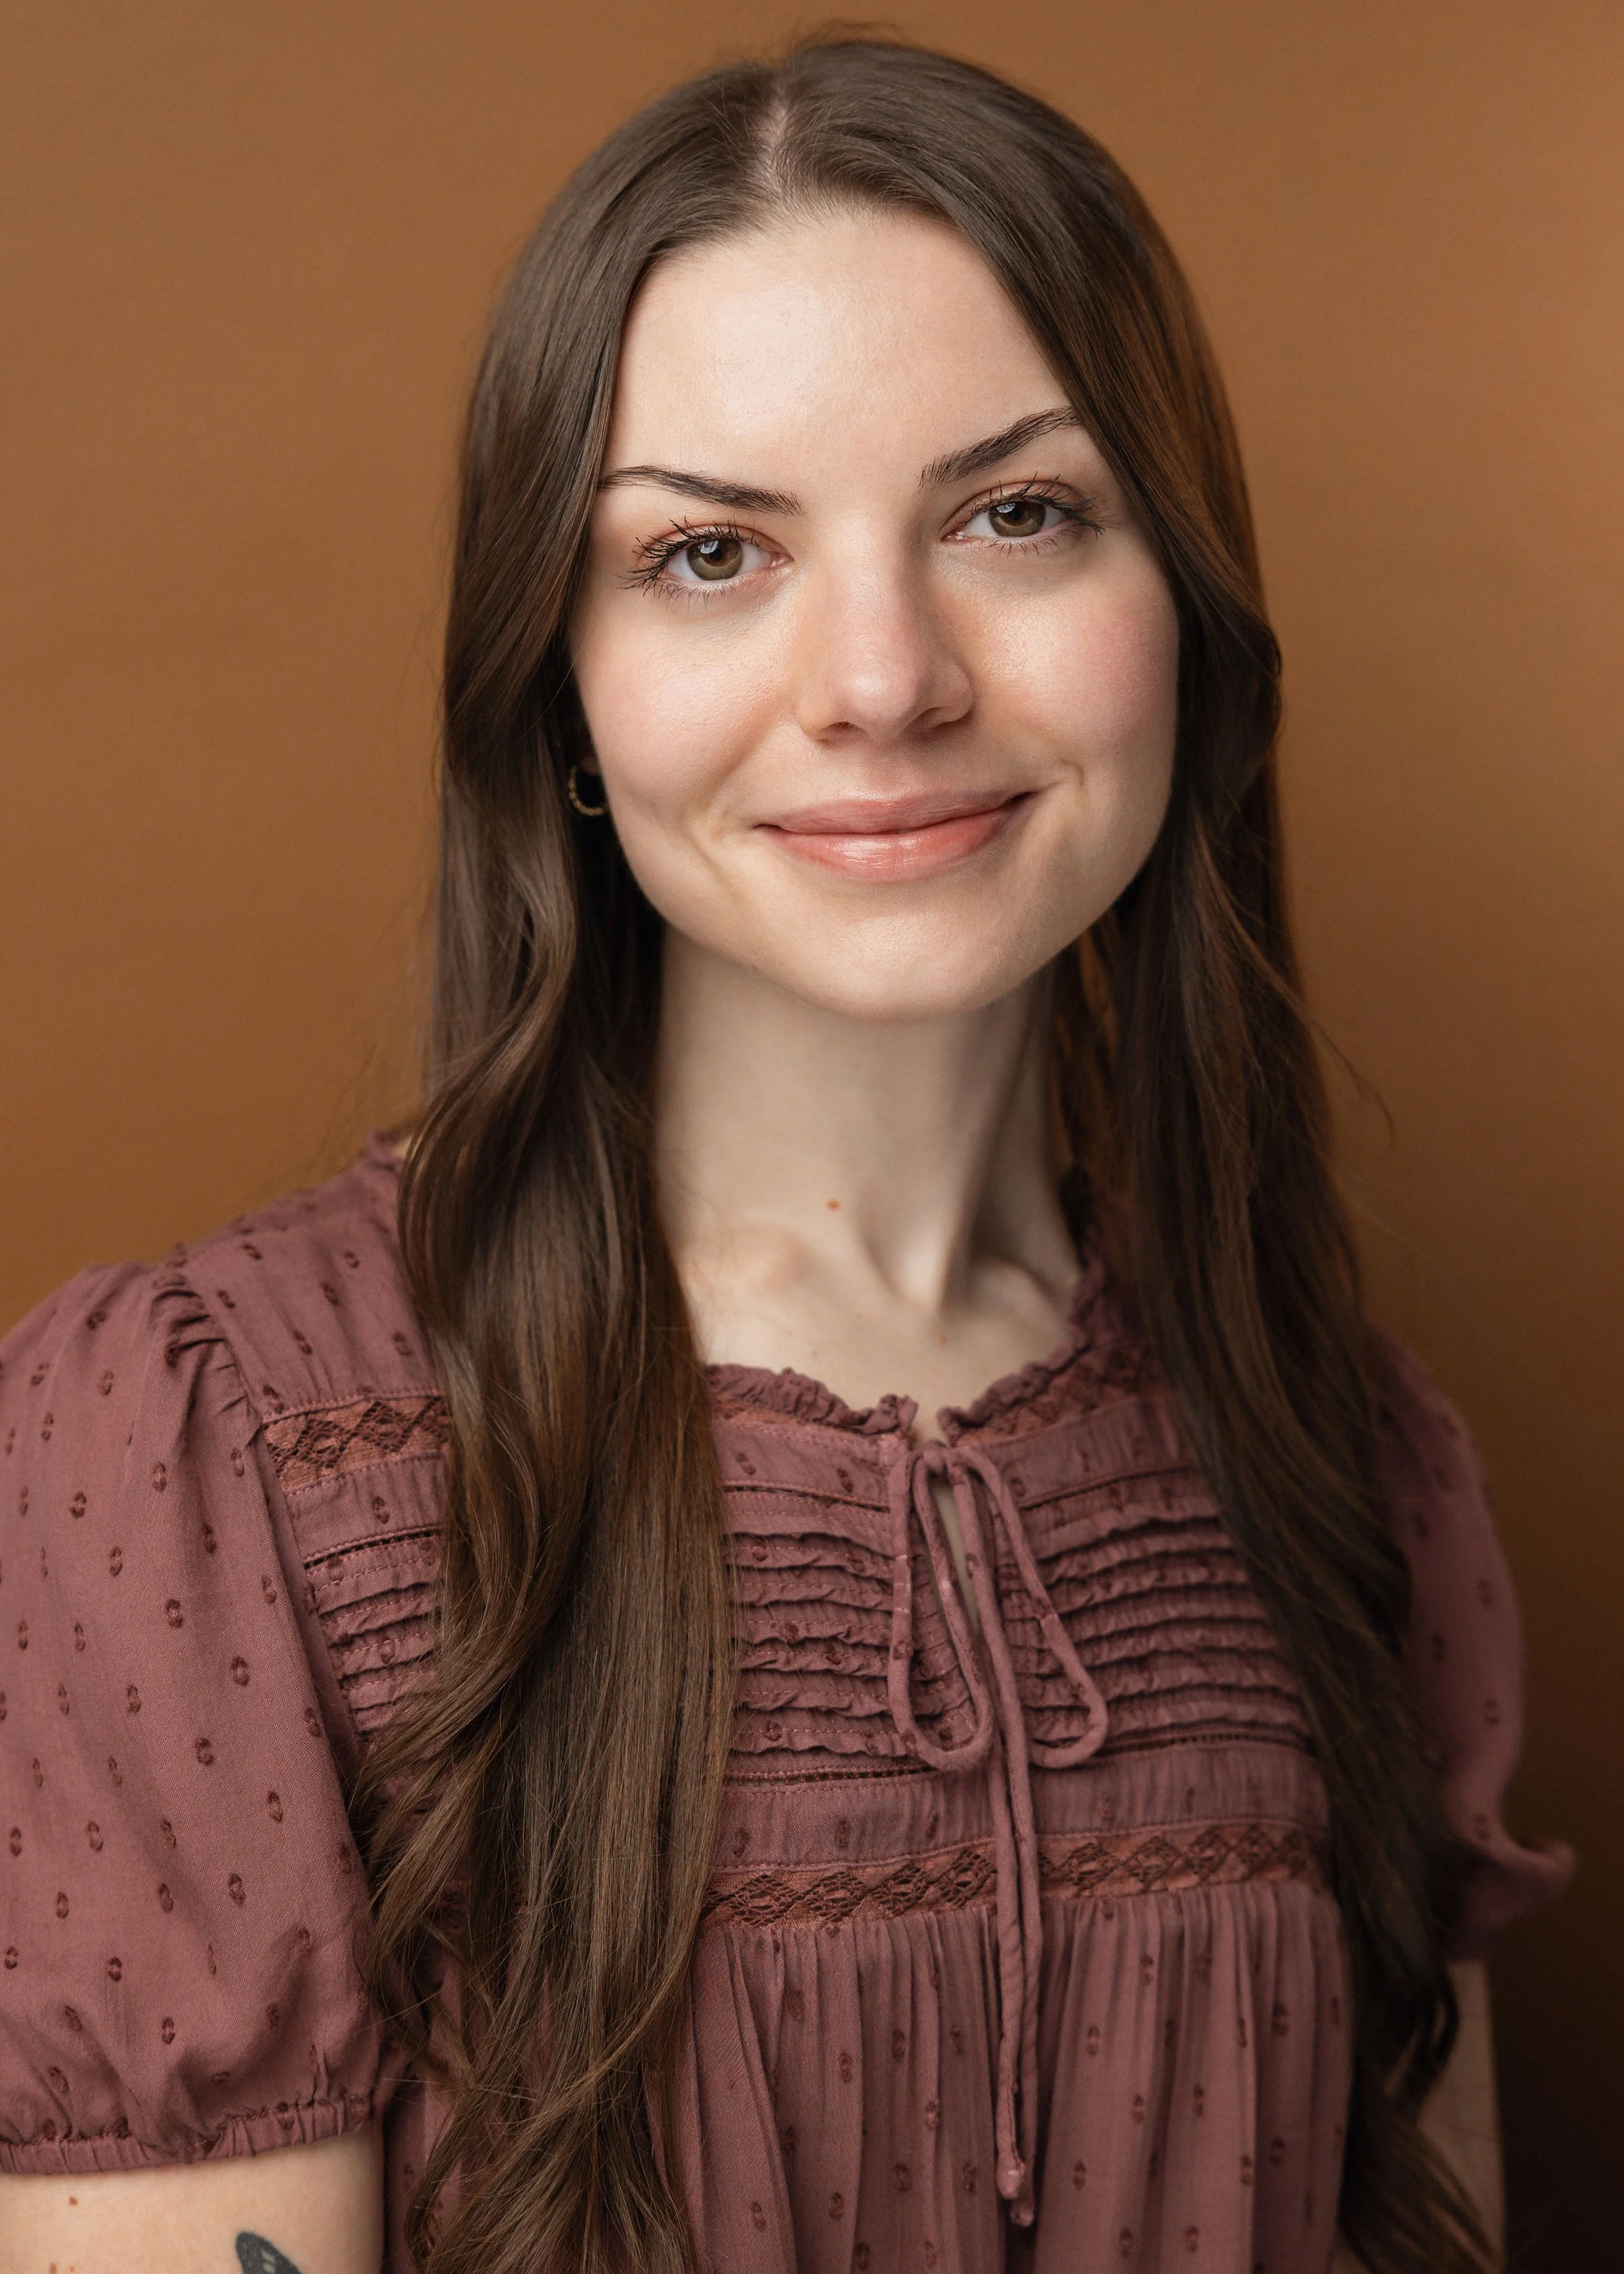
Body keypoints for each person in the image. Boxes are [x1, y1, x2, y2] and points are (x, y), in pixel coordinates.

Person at [0, 35, 1570, 2274]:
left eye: (1014, 513)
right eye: (710, 552)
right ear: (557, 687)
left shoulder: (1351, 1458)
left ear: (1189, 614)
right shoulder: (195, 1465)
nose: (879, 677)